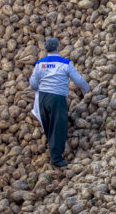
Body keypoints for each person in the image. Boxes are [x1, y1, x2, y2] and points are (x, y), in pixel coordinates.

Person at [29, 38, 90, 166]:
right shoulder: (65, 63)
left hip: (43, 98)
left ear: (45, 49)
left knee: (48, 124)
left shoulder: (40, 63)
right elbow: (78, 80)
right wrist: (86, 89)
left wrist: (38, 91)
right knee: (58, 127)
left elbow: (33, 83)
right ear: (58, 47)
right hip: (57, 98)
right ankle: (56, 158)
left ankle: (52, 149)